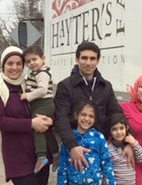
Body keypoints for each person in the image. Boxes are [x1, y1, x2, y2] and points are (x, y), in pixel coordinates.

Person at [54, 42, 133, 172]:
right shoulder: (65, 86)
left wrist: (128, 142)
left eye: (92, 58)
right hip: (75, 149)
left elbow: (117, 115)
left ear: (98, 61)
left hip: (100, 148)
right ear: (77, 59)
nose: (88, 63)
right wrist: (72, 146)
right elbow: (61, 118)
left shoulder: (105, 86)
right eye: (84, 58)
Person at [0, 46, 53, 185]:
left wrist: (50, 120)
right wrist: (31, 124)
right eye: (10, 63)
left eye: (19, 63)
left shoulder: (29, 85)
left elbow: (45, 105)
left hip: (39, 155)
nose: (14, 67)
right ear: (3, 65)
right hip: (18, 159)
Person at [20, 45, 59, 174]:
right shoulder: (36, 73)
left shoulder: (42, 73)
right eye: (28, 61)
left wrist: (27, 96)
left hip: (44, 104)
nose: (31, 63)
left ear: (43, 59)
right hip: (41, 104)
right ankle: (55, 154)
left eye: (34, 59)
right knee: (46, 131)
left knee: (38, 129)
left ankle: (41, 156)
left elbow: (42, 90)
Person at [57, 100, 115, 185]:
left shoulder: (99, 137)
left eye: (91, 116)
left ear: (95, 119)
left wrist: (111, 182)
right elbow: (63, 167)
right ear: (76, 115)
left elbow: (107, 164)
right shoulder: (69, 138)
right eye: (83, 114)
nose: (87, 119)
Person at [107, 113, 142, 185]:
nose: (118, 132)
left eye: (121, 128)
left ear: (127, 128)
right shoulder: (107, 148)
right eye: (114, 129)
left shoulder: (132, 145)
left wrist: (134, 143)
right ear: (110, 131)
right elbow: (105, 169)